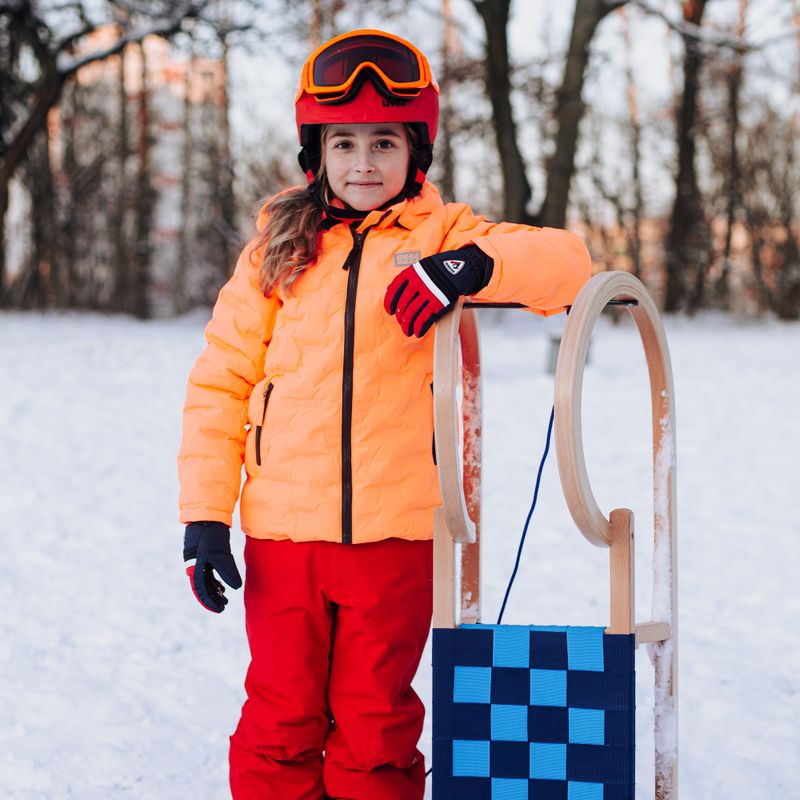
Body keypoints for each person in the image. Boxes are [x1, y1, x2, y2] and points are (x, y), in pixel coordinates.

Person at [178, 28, 592, 800]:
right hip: (283, 535)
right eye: (343, 143)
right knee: (280, 720)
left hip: (395, 535)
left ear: (415, 152)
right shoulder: (277, 249)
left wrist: (470, 266)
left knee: (375, 725)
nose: (363, 162)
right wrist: (206, 514)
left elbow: (569, 263)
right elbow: (221, 380)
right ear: (317, 153)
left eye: (383, 142)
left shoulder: (441, 235)